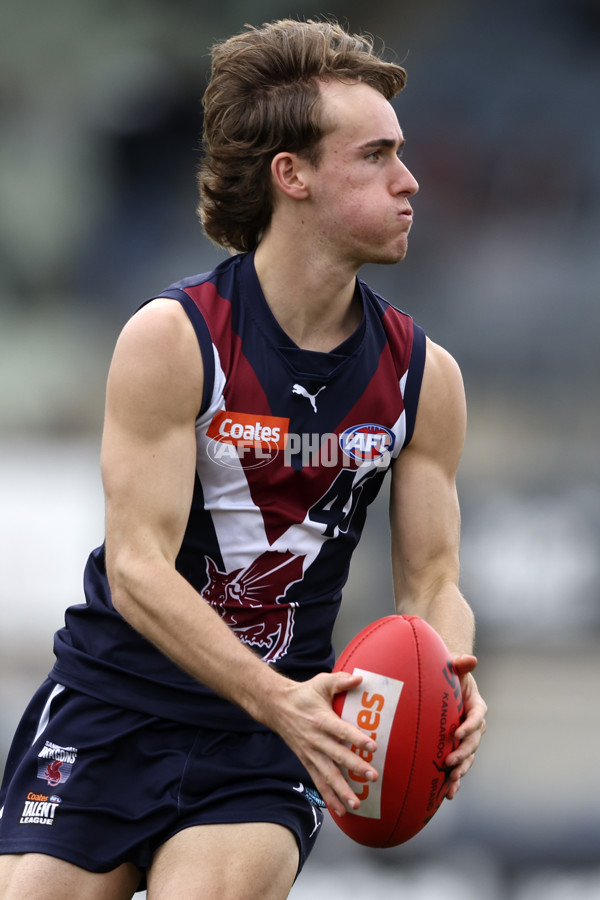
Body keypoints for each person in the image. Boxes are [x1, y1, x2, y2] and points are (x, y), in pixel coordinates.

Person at [0, 17, 487, 900]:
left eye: (401, 153)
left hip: (267, 742)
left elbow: (433, 584)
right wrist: (279, 698)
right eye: (375, 156)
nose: (410, 180)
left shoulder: (425, 375)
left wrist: (448, 683)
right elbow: (138, 566)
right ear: (291, 175)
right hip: (111, 710)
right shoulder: (173, 337)